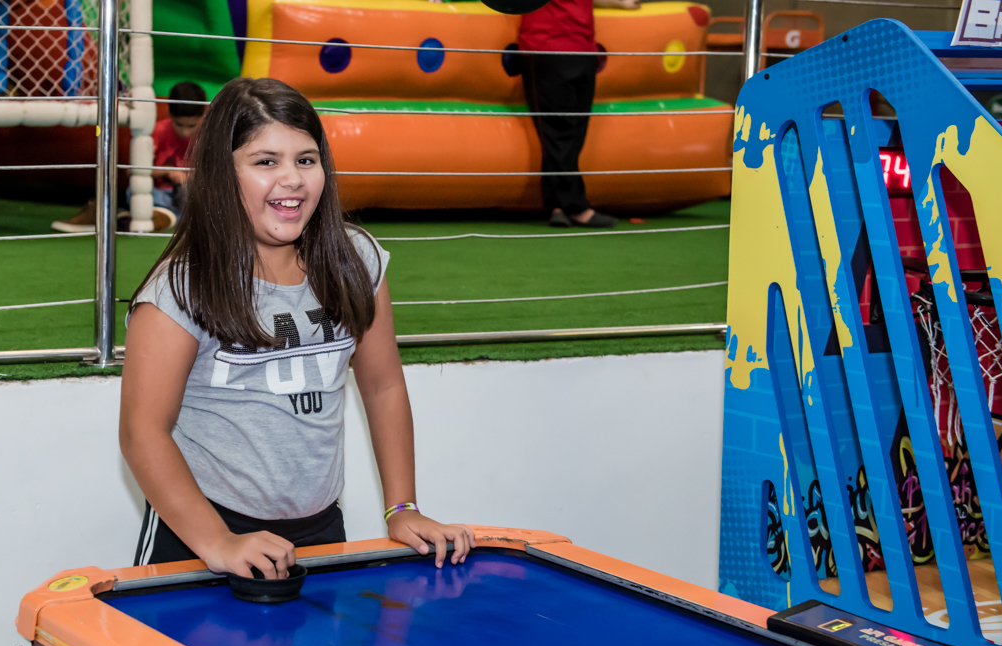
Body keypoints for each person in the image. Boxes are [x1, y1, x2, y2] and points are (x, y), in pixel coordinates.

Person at [119, 77, 475, 578]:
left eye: (306, 160)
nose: (293, 179)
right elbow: (143, 432)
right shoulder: (181, 287)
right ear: (224, 172)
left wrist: (402, 509)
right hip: (203, 532)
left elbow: (382, 383)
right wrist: (217, 541)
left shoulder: (356, 260)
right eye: (266, 162)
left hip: (320, 529)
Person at [519, 0, 640, 228]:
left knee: (573, 132)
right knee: (557, 131)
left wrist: (619, 3)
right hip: (547, 45)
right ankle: (576, 207)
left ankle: (557, 205)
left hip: (582, 45)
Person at [51, 82, 208, 233]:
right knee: (139, 189)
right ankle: (141, 216)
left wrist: (191, 176)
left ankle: (130, 218)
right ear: (169, 112)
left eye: (191, 126)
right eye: (179, 125)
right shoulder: (156, 131)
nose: (186, 132)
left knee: (200, 195)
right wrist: (168, 172)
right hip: (157, 195)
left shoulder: (208, 136)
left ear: (203, 115)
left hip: (189, 196)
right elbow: (132, 172)